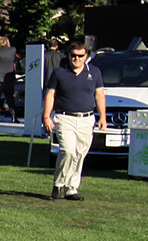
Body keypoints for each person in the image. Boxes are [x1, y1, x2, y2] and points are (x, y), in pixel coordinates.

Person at [42, 44, 107, 200]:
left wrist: (102, 116)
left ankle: (71, 188)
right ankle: (58, 183)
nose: (76, 59)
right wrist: (46, 116)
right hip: (65, 118)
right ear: (69, 55)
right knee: (68, 150)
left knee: (79, 154)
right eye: (73, 55)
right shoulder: (59, 72)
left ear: (86, 56)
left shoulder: (95, 72)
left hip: (86, 119)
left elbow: (99, 96)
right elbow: (50, 95)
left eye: (80, 56)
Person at [0, 34, 19, 121]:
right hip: (9, 77)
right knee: (10, 97)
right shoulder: (13, 50)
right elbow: (16, 61)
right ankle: (14, 117)